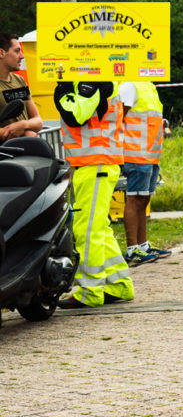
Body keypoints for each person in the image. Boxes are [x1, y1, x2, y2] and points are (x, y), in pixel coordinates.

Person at [53, 81, 134, 308]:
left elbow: (76, 116)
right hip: (94, 163)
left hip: (95, 162)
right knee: (98, 228)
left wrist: (63, 93)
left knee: (86, 229)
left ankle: (90, 290)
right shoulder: (97, 80)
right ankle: (119, 284)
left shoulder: (95, 80)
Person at [120, 80, 171, 265]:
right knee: (134, 199)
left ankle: (143, 246)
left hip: (150, 154)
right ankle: (132, 249)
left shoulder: (148, 85)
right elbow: (118, 118)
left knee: (144, 199)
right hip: (135, 153)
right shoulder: (129, 85)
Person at [0, 33, 42, 141]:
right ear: (1, 52)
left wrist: (23, 125)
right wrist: (23, 134)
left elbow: (38, 121)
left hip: (25, 153)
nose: (22, 56)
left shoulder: (19, 80)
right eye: (17, 51)